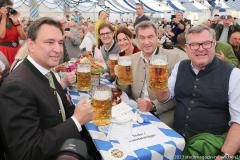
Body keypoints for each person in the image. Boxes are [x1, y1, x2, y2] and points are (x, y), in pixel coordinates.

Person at [0, 17, 95, 160]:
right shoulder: (16, 86)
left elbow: (61, 111)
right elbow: (26, 152)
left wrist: (82, 111)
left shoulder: (46, 71)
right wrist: (76, 120)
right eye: (50, 42)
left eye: (60, 43)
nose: (58, 49)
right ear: (31, 45)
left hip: (68, 143)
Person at [155, 24, 240, 159]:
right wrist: (157, 82)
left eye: (206, 43)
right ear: (187, 48)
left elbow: (238, 121)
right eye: (194, 44)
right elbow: (164, 98)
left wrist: (225, 155)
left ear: (214, 44)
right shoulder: (180, 66)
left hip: (208, 148)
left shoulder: (233, 74)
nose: (200, 49)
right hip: (177, 141)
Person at [116, 21, 187, 126]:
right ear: (137, 39)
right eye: (142, 38)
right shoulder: (131, 59)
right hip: (136, 112)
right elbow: (124, 90)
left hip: (162, 115)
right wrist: (120, 77)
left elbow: (180, 95)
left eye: (150, 37)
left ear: (157, 37)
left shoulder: (174, 58)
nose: (146, 42)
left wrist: (153, 106)